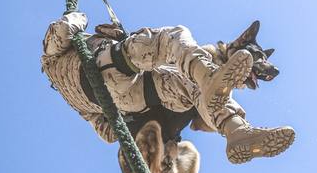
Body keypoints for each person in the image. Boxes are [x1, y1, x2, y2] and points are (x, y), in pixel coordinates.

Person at [42, 13, 295, 164]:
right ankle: (219, 100)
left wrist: (128, 122)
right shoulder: (54, 57)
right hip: (109, 66)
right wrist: (80, 17)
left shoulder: (71, 96)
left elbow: (107, 133)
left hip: (121, 96)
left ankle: (237, 132)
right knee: (172, 38)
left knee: (191, 87)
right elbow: (64, 29)